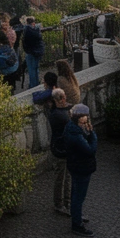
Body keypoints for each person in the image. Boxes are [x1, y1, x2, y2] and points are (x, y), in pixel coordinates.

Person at [63, 103, 98, 236]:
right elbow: (90, 150)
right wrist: (93, 135)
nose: (87, 120)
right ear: (79, 118)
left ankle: (76, 216)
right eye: (84, 118)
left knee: (75, 193)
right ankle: (77, 224)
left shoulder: (71, 128)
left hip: (75, 165)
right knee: (79, 196)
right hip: (81, 167)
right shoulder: (75, 134)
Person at [46, 88, 72, 216]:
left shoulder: (55, 113)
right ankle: (60, 204)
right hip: (61, 150)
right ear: (61, 99)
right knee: (61, 178)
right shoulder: (59, 116)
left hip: (60, 149)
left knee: (65, 177)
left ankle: (65, 202)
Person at [22, 16, 45, 85]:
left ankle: (33, 85)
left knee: (31, 70)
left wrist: (26, 50)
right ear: (33, 23)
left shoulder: (27, 30)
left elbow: (25, 42)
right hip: (38, 51)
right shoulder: (36, 30)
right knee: (36, 68)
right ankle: (37, 83)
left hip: (31, 52)